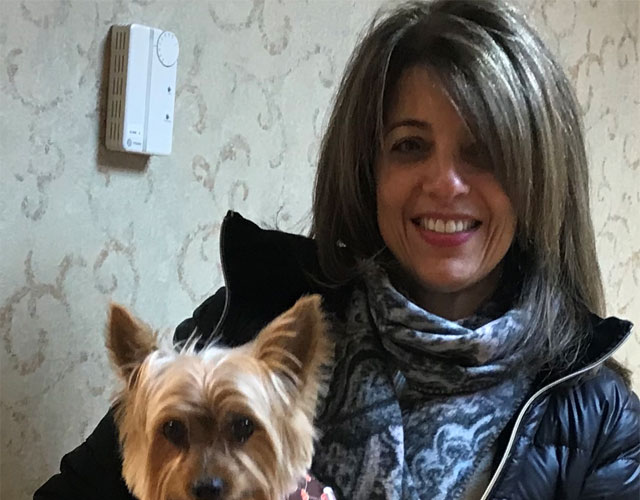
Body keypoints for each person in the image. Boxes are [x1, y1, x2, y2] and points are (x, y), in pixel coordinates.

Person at [35, 1, 639, 499]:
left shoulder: (600, 421)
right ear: (368, 169)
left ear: (538, 181)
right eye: (409, 146)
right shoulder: (242, 323)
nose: (445, 183)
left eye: (485, 151)